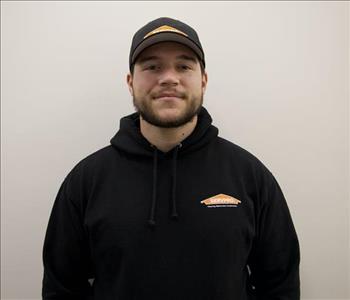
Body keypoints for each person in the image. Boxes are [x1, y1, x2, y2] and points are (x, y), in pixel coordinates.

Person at [42, 17, 300, 300]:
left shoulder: (249, 176)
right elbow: (62, 288)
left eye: (184, 66)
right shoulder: (86, 181)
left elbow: (280, 285)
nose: (168, 77)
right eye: (152, 66)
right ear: (130, 82)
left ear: (203, 80)